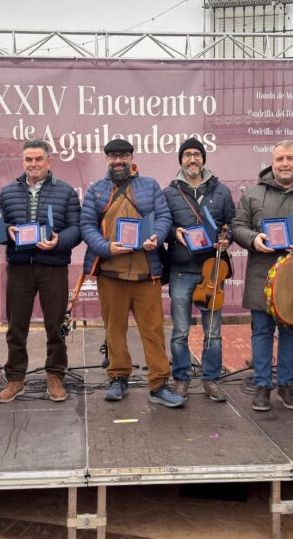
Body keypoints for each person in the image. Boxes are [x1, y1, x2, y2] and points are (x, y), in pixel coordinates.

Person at [80, 138, 184, 408]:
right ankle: (118, 378)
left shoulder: (149, 185)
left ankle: (159, 384)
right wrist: (105, 247)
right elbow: (86, 225)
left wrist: (156, 236)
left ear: (130, 157)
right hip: (110, 273)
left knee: (153, 330)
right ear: (107, 159)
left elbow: (164, 217)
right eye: (113, 156)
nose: (118, 161)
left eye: (123, 156)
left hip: (145, 272)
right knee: (114, 330)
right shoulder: (96, 190)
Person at [231, 140, 293, 412]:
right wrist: (253, 238)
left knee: (291, 330)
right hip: (262, 273)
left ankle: (286, 385)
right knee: (261, 331)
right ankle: (262, 385)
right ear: (272, 163)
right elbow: (237, 226)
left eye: (290, 158)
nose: (285, 163)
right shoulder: (253, 194)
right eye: (280, 159)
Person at [0, 139, 81, 403]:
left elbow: (76, 229)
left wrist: (59, 241)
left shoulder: (66, 191)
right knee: (16, 325)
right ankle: (15, 378)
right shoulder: (8, 192)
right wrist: (6, 231)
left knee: (55, 324)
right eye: (28, 160)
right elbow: (0, 226)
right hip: (19, 266)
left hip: (53, 266)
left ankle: (55, 375)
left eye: (38, 159)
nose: (33, 164)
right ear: (23, 162)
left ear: (48, 162)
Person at [163, 137, 236, 402]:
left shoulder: (222, 191)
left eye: (196, 154)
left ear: (203, 159)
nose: (192, 159)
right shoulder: (169, 192)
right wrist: (174, 232)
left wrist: (229, 239)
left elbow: (233, 223)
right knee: (180, 330)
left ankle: (211, 379)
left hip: (213, 271)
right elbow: (163, 225)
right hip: (181, 270)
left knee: (213, 331)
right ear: (181, 160)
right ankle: (181, 378)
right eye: (187, 155)